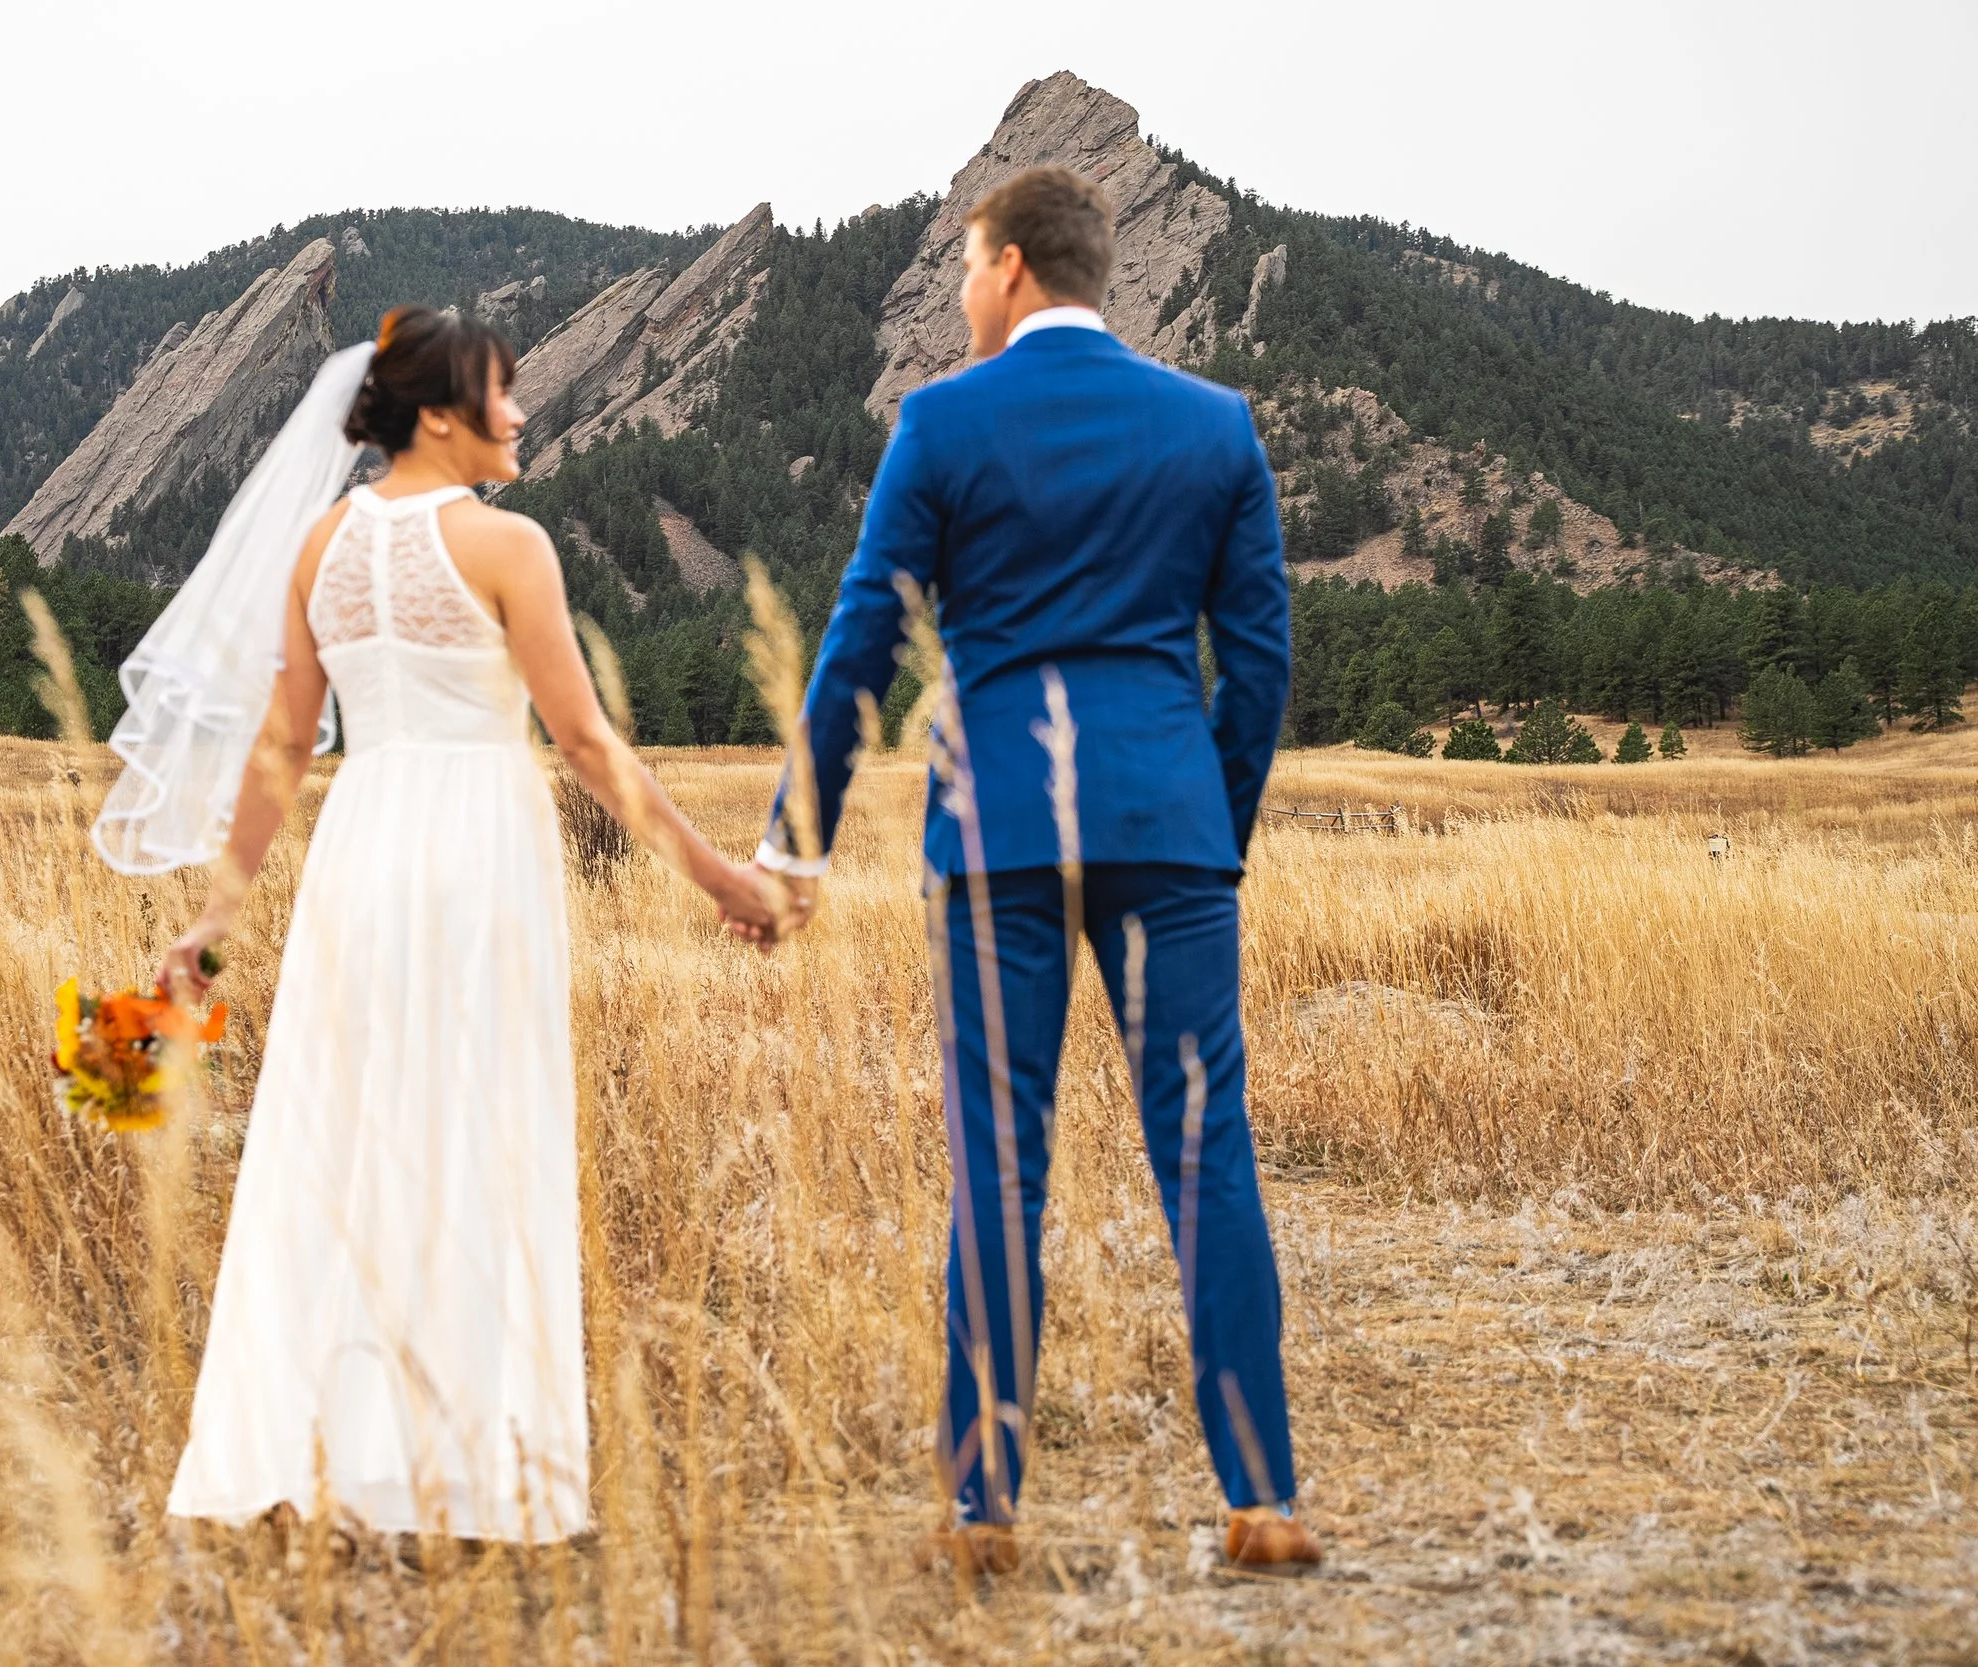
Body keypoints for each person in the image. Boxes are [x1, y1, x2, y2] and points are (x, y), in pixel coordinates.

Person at [749, 167, 1319, 1573]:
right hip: (1170, 826)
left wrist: (793, 839)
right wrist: (1208, 820)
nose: (959, 294)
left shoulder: (940, 422)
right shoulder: (1215, 427)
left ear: (1008, 267)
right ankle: (1262, 1496)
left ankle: (985, 1508)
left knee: (997, 1165)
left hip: (994, 826)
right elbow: (1258, 663)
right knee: (1210, 1158)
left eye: (965, 269)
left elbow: (861, 643)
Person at [144, 307, 787, 1540]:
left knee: (343, 1133)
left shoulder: (319, 545)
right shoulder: (507, 546)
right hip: (478, 851)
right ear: (441, 412)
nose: (524, 413)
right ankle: (466, 1465)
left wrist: (212, 917)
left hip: (360, 850)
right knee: (480, 1129)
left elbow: (285, 749)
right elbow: (586, 742)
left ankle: (329, 1450)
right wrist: (718, 878)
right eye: (508, 392)